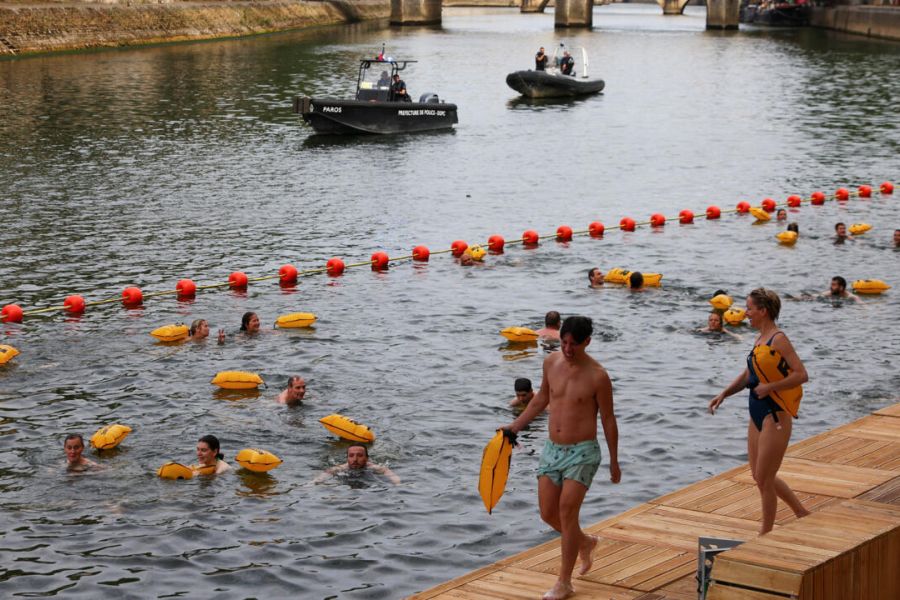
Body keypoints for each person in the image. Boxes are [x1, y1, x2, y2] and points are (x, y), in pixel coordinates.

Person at [503, 316, 620, 600]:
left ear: (587, 342)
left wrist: (614, 461)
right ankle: (585, 542)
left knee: (568, 513)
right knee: (547, 513)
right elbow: (542, 398)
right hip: (552, 449)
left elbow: (607, 418)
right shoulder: (550, 363)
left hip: (583, 451)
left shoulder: (598, 376)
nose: (568, 349)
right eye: (564, 342)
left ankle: (564, 583)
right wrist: (514, 427)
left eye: (574, 345)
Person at [708, 288, 810, 534]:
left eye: (750, 308)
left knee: (765, 477)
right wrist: (724, 393)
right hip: (756, 412)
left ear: (763, 311)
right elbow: (749, 375)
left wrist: (771, 387)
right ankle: (801, 512)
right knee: (759, 475)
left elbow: (801, 375)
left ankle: (765, 533)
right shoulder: (759, 339)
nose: (746, 313)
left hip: (775, 415)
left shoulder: (778, 339)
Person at [314, 445, 400, 485]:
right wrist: (313, 483)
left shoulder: (373, 467)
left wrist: (397, 484)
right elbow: (325, 474)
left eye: (359, 455)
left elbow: (388, 473)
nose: (355, 459)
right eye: (351, 456)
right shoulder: (341, 468)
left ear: (366, 458)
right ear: (347, 458)